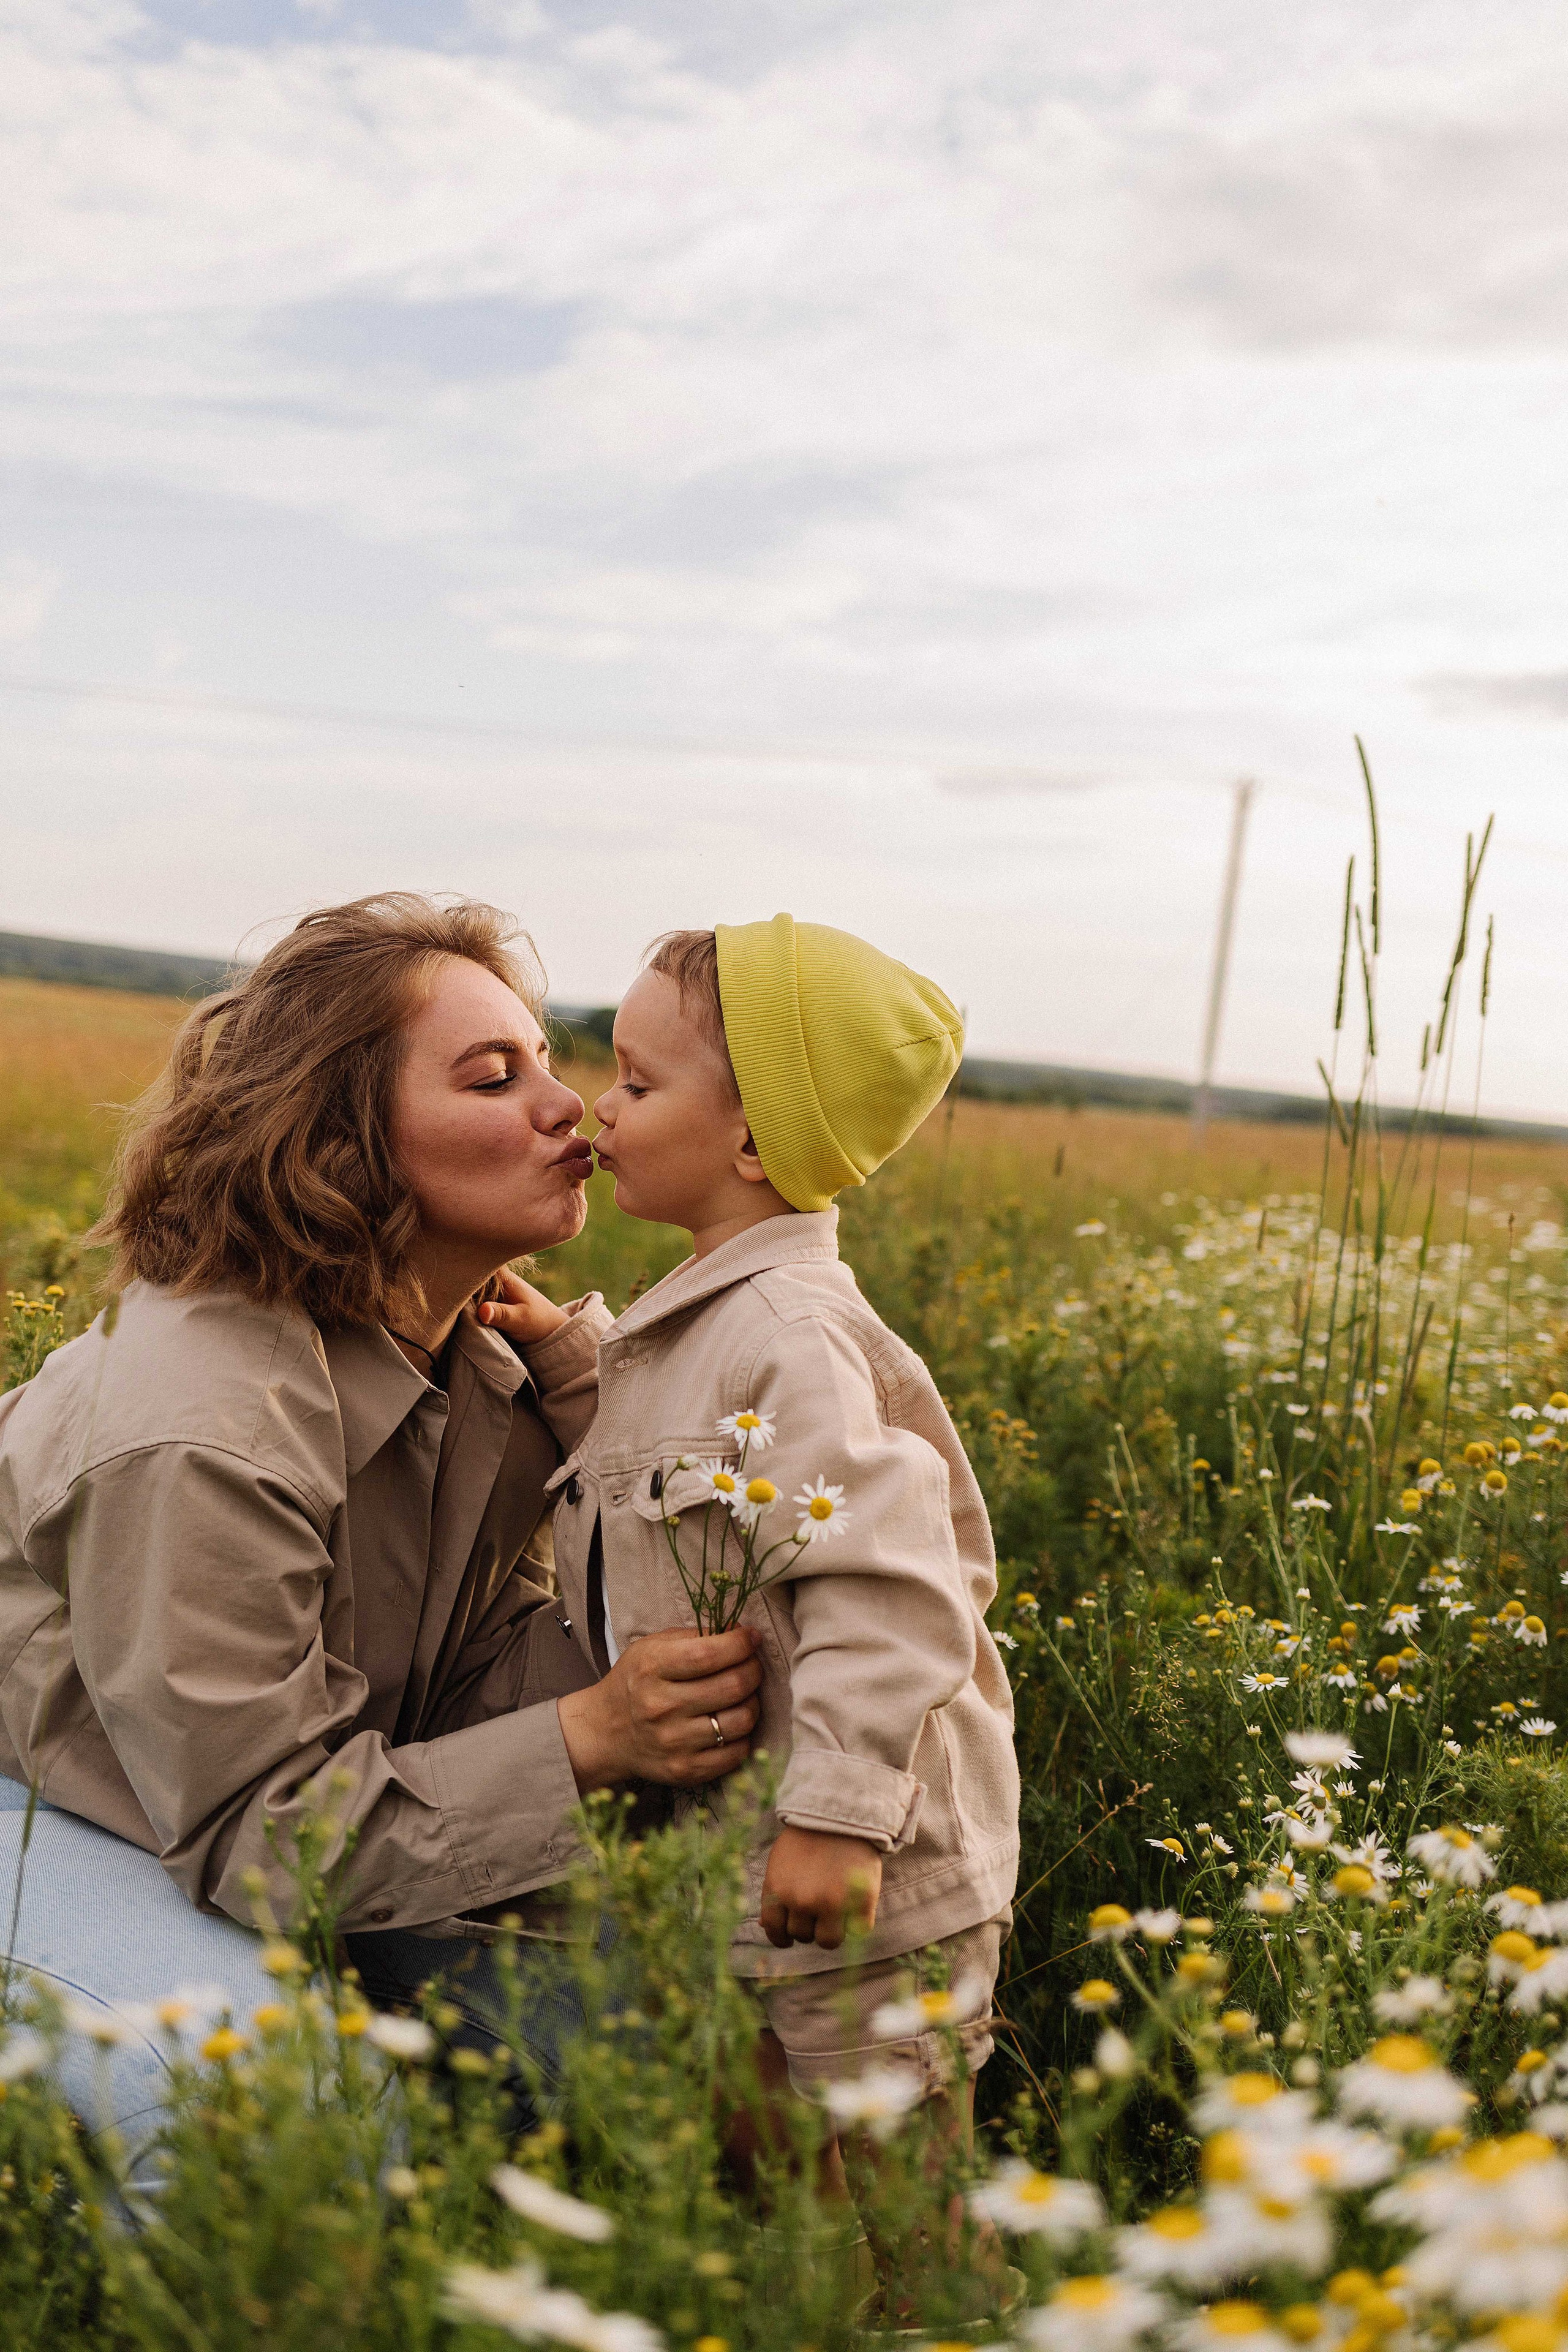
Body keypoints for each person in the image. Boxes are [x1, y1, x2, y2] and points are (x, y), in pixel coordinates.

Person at [0, 894, 760, 2141]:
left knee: (636, 2063)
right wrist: (588, 1741)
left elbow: (462, 1675)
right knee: (264, 2112)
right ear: (342, 1136)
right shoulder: (205, 1422)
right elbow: (259, 1831)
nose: (567, 1106)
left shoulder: (480, 1364)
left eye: (547, 1063)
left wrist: (594, 1396)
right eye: (492, 1077)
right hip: (43, 1799)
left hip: (229, 1798)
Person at [489, 914, 1019, 2130]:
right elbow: (681, 1475)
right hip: (739, 1861)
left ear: (747, 1135)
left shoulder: (787, 1334)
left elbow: (889, 1587)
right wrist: (574, 1360)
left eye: (634, 1080)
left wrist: (837, 1819)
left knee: (894, 2172)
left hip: (857, 1874)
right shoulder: (698, 1324)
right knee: (767, 2154)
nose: (596, 1110)